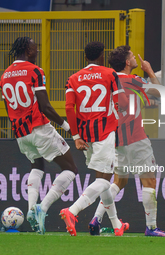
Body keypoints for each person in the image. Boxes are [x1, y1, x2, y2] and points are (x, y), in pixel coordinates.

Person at [88, 45, 165, 237]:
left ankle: (96, 219)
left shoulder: (108, 82)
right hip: (136, 138)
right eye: (132, 56)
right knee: (149, 180)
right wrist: (149, 70)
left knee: (119, 180)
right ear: (127, 62)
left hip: (115, 140)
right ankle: (151, 227)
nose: (135, 58)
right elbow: (161, 93)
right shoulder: (134, 80)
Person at [0, 37, 78, 234]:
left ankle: (30, 210)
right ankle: (42, 209)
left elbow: (8, 108)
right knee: (70, 169)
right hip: (39, 129)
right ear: (27, 49)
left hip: (21, 133)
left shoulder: (5, 75)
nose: (37, 51)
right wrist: (69, 128)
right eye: (35, 48)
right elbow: (45, 106)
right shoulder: (35, 71)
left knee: (37, 165)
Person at [60, 41, 129, 236]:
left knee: (103, 177)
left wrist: (75, 136)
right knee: (105, 179)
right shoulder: (110, 74)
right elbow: (121, 103)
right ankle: (72, 211)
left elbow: (68, 108)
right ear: (102, 55)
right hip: (105, 132)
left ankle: (116, 225)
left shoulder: (73, 78)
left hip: (85, 136)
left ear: (85, 57)